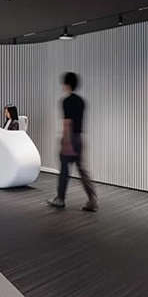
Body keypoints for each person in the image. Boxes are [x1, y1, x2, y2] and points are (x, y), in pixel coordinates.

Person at [47, 72, 98, 211]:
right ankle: (92, 201)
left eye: (64, 83)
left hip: (70, 138)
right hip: (79, 138)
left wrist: (66, 143)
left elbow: (67, 123)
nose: (62, 86)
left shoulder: (66, 101)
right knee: (82, 171)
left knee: (64, 170)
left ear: (67, 84)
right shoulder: (81, 101)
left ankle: (60, 199)